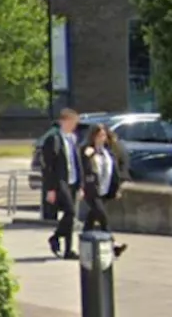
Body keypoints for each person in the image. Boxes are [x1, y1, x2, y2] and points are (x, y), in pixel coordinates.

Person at [79, 124, 128, 258]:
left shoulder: (108, 152)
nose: (102, 138)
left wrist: (117, 188)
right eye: (99, 136)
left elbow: (115, 170)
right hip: (92, 189)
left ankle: (84, 242)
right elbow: (83, 169)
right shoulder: (87, 150)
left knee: (91, 218)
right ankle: (113, 244)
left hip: (105, 189)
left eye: (104, 136)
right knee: (102, 216)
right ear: (93, 136)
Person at [39, 108, 81, 260]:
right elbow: (48, 166)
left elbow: (77, 162)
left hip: (73, 180)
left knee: (71, 216)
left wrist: (80, 184)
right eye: (72, 122)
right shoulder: (54, 139)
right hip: (60, 181)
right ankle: (56, 237)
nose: (74, 125)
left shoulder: (73, 138)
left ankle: (69, 249)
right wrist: (50, 188)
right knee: (70, 212)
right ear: (64, 121)